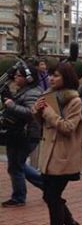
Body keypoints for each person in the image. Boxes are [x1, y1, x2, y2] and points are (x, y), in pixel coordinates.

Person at [32, 63, 82, 225]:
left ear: (67, 78)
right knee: (50, 196)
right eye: (51, 75)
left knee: (52, 197)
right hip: (48, 155)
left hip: (64, 158)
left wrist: (47, 112)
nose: (52, 79)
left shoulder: (74, 100)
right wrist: (37, 111)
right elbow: (41, 122)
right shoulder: (48, 95)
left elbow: (68, 127)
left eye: (56, 76)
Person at [1, 64, 43, 207]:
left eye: (19, 75)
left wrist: (11, 105)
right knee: (16, 165)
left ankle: (19, 197)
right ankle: (47, 187)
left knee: (16, 166)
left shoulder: (33, 93)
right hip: (17, 134)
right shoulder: (25, 90)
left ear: (29, 78)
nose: (16, 78)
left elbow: (31, 113)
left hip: (26, 135)